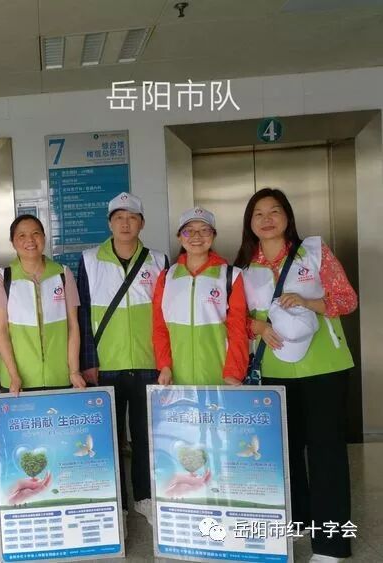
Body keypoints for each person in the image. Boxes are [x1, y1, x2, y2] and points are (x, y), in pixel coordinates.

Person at [234, 188, 356, 563]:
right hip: (273, 370)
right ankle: (299, 520)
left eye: (275, 211)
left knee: (326, 452)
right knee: (284, 451)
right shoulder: (244, 267)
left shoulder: (314, 252)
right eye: (258, 213)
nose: (267, 219)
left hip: (324, 366)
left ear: (287, 216)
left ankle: (331, 544)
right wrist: (258, 327)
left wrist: (308, 302)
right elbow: (235, 319)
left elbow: (346, 299)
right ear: (250, 223)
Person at [77, 192, 168, 523]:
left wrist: (165, 362)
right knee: (110, 438)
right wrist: (88, 361)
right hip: (106, 365)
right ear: (110, 223)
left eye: (132, 218)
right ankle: (118, 503)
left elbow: (166, 315)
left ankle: (144, 497)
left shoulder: (159, 260)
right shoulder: (90, 260)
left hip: (148, 364)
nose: (125, 223)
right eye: (118, 217)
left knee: (145, 436)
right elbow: (83, 313)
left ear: (142, 223)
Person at [0, 214, 86, 394]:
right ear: (12, 242)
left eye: (35, 233)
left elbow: (73, 326)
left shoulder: (63, 274)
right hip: (18, 382)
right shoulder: (2, 278)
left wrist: (74, 371)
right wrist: (14, 376)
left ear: (44, 237)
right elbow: (1, 331)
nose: (30, 240)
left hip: (59, 376)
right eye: (22, 235)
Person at [152, 206, 248, 386]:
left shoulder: (231, 276)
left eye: (204, 230)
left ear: (213, 235)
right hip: (177, 380)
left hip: (220, 379)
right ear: (179, 237)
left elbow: (238, 330)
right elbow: (160, 328)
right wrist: (164, 366)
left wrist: (233, 373)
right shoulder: (166, 277)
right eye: (188, 231)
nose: (197, 236)